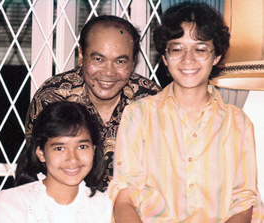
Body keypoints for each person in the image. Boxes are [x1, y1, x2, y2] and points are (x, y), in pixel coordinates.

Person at [109, 2, 264, 223]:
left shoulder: (238, 122)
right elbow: (125, 195)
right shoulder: (138, 115)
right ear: (164, 57)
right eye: (177, 49)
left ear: (217, 56)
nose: (188, 59)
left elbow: (244, 202)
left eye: (200, 49)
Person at [25, 15, 162, 188]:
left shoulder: (152, 100)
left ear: (133, 62)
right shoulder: (53, 97)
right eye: (98, 59)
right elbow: (37, 167)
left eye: (120, 61)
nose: (108, 72)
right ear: (81, 55)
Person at [0, 101, 112, 222]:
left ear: (94, 150)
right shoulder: (14, 203)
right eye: (60, 148)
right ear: (41, 153)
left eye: (82, 147)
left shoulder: (104, 206)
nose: (73, 159)